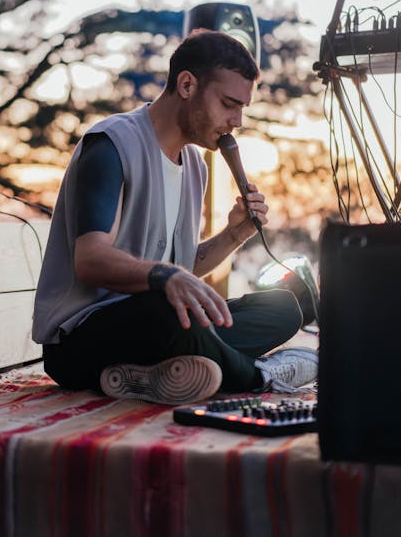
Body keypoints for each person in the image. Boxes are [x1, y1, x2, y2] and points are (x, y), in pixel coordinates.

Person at [32, 29, 318, 405]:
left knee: (282, 307)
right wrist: (167, 277)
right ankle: (258, 376)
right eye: (229, 103)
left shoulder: (195, 166)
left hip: (154, 327)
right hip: (80, 340)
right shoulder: (110, 145)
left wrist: (233, 236)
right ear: (186, 85)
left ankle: (145, 377)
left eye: (242, 108)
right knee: (171, 311)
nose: (237, 121)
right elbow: (90, 261)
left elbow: (180, 269)